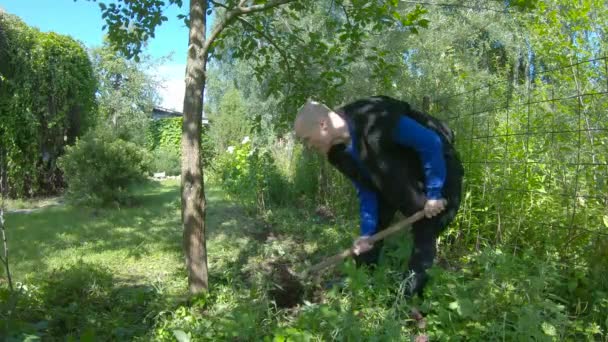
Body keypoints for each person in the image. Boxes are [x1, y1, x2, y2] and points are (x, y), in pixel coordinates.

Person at [294, 95, 464, 297]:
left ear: (323, 124)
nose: (308, 146)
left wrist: (434, 193)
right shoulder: (337, 153)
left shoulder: (374, 117)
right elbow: (366, 189)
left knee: (426, 227)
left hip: (437, 168)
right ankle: (362, 281)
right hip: (393, 174)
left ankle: (409, 297)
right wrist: (367, 233)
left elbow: (430, 142)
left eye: (306, 139)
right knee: (373, 232)